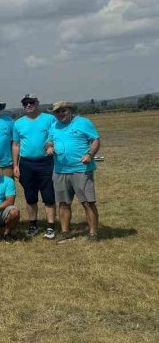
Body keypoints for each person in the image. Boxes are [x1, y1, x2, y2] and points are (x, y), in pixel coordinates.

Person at [46, 101, 101, 242]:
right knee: (63, 203)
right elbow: (50, 141)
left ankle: (93, 233)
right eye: (57, 112)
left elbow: (95, 140)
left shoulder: (83, 122)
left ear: (70, 110)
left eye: (63, 111)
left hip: (81, 169)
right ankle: (65, 231)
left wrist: (89, 155)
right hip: (60, 170)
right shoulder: (54, 126)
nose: (60, 114)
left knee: (88, 202)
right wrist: (49, 147)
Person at [12, 94, 57, 239]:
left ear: (37, 103)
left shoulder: (49, 119)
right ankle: (33, 225)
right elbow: (16, 145)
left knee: (48, 195)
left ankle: (50, 227)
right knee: (30, 196)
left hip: (46, 162)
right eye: (25, 103)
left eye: (31, 102)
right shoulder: (18, 123)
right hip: (26, 164)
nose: (29, 105)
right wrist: (15, 165)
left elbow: (56, 136)